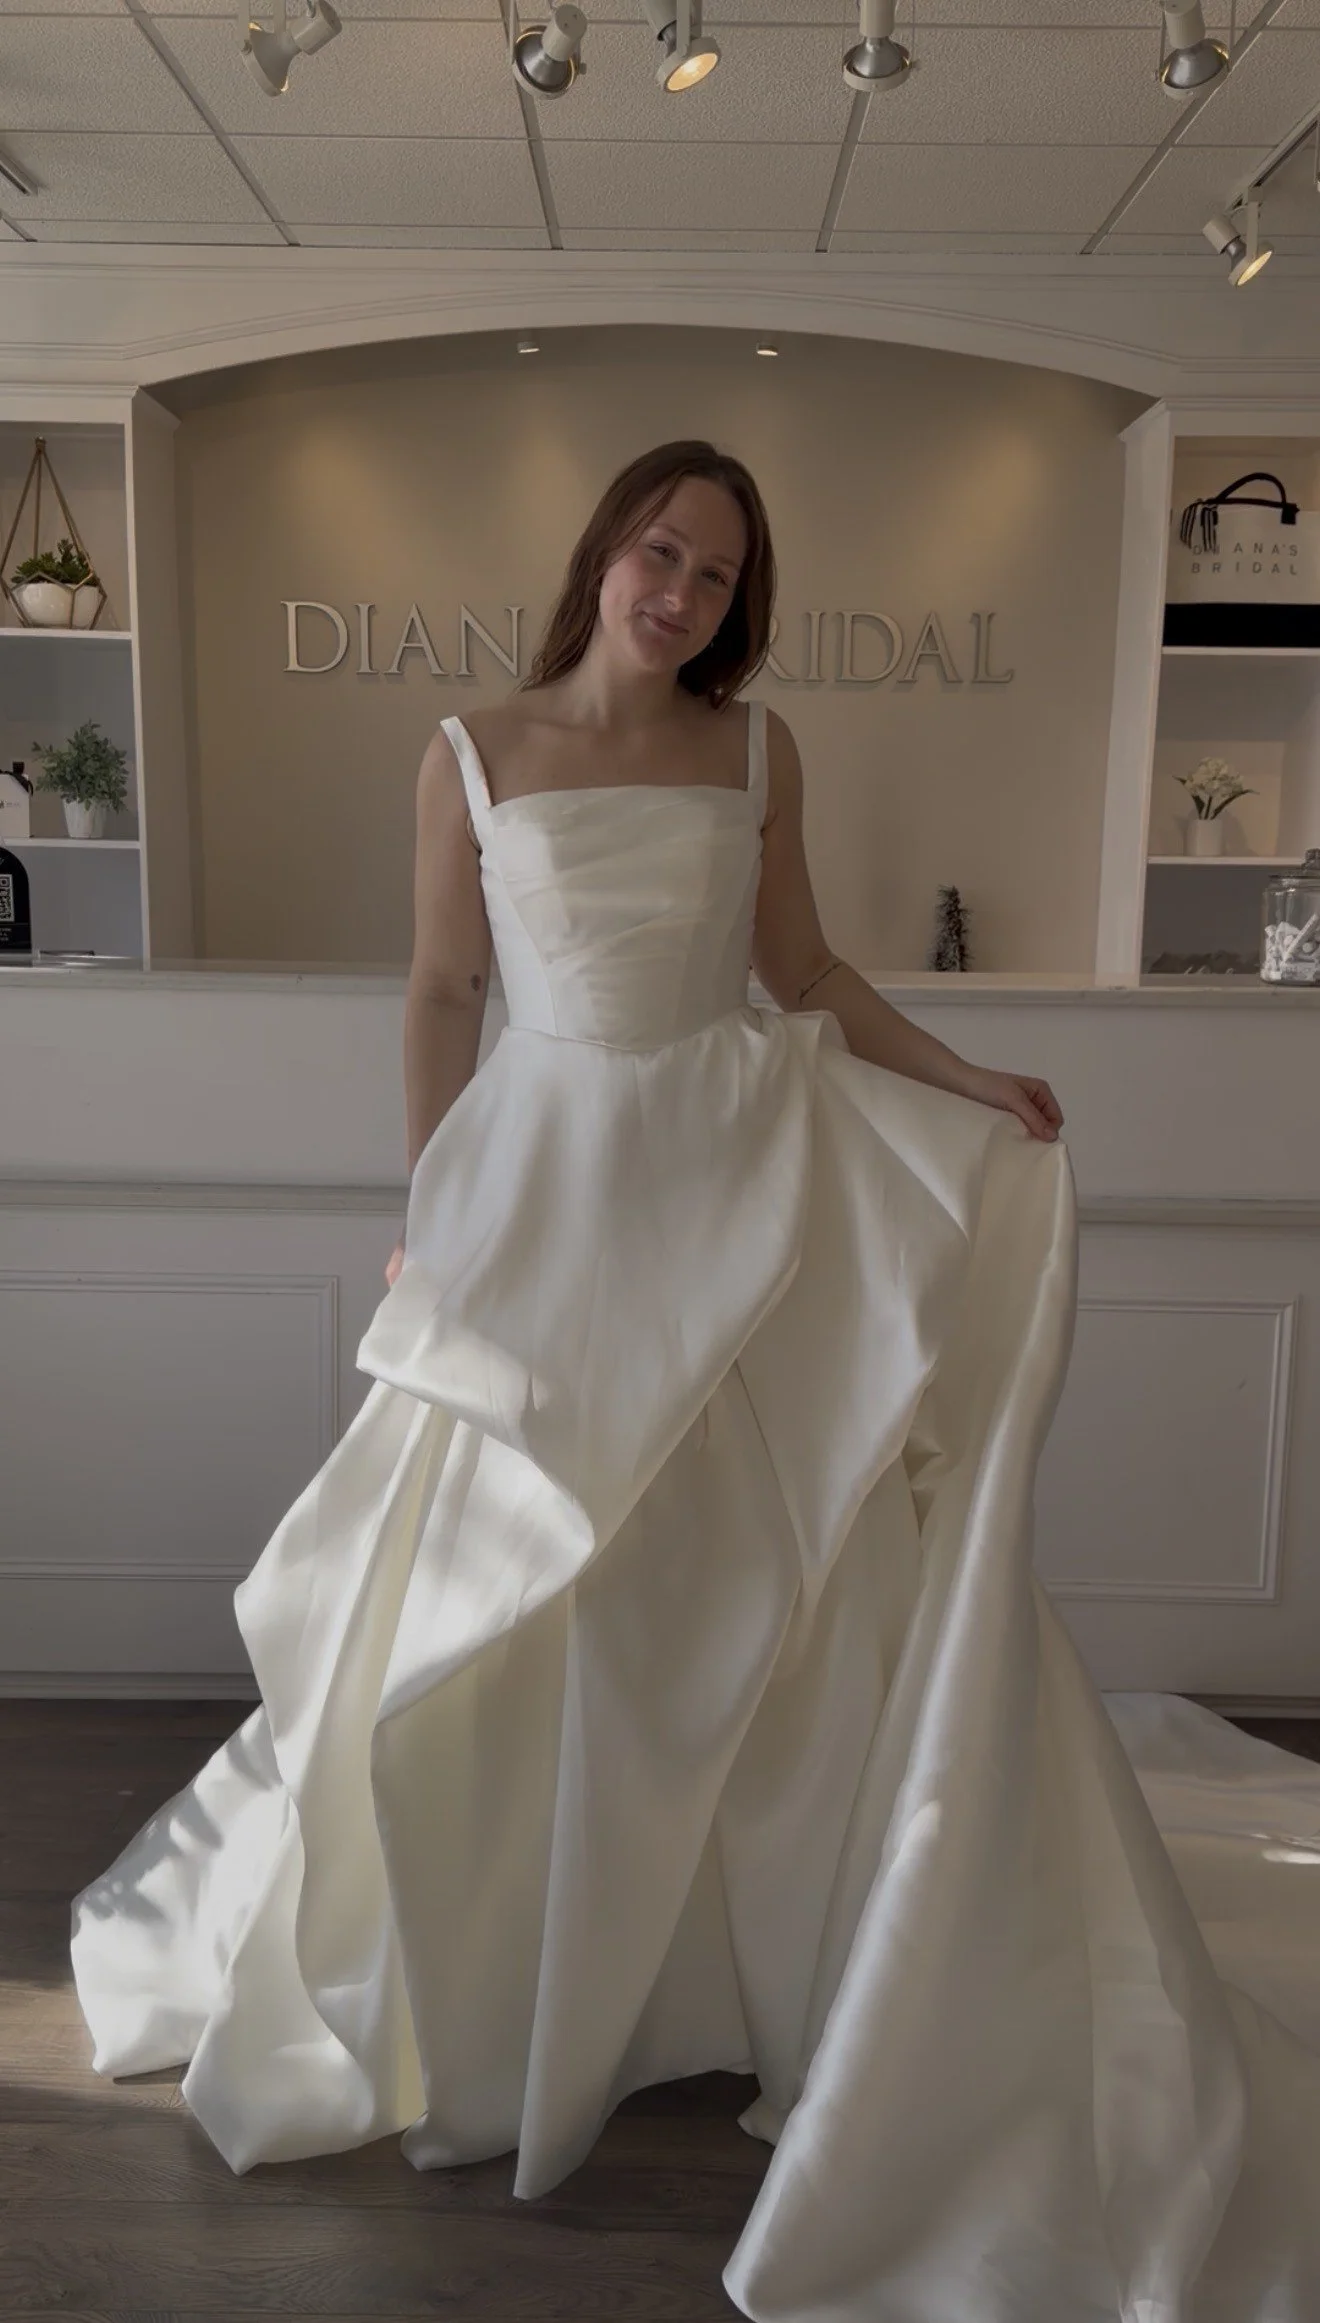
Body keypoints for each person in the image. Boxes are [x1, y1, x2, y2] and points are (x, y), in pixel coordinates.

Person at [72, 440, 1320, 2323]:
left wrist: (970, 1080)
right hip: (548, 1193)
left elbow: (805, 966)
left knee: (767, 1581)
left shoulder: (758, 751)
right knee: (523, 1581)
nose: (685, 594)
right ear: (606, 553)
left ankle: (756, 1969)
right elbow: (438, 991)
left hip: (740, 1185)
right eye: (665, 552)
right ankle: (504, 1973)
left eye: (722, 577)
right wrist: (435, 1212)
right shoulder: (472, 750)